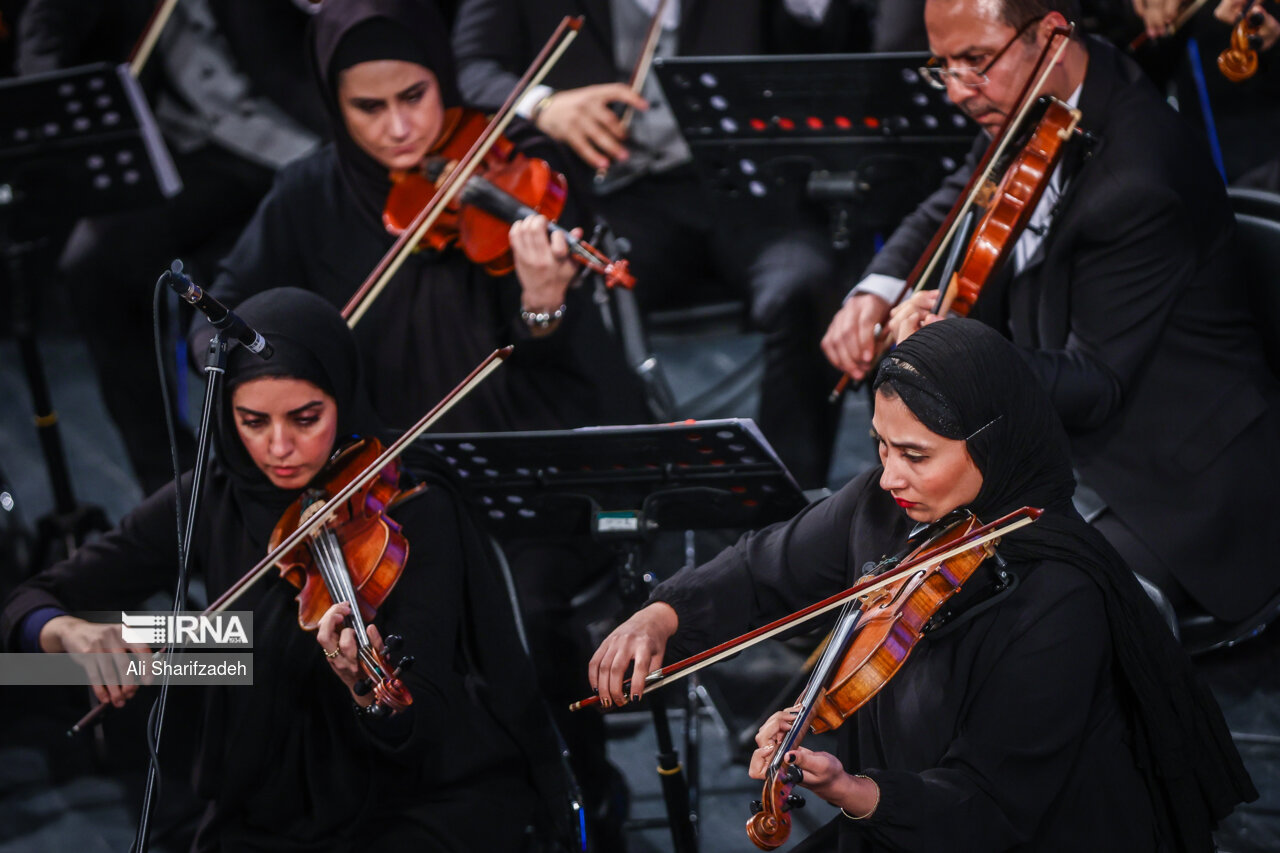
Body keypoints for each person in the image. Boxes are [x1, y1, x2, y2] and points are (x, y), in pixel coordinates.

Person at [187, 2, 651, 844]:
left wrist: (541, 307)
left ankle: (573, 786)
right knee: (345, 626)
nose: (401, 128)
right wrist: (229, 352)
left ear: (445, 78)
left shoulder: (519, 168)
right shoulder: (307, 194)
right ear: (334, 104)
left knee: (530, 609)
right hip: (385, 476)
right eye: (370, 108)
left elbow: (557, 358)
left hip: (521, 453)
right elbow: (225, 306)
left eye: (417, 96)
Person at [590, 317, 1255, 852]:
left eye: (914, 455)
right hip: (899, 816)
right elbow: (766, 564)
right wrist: (662, 615)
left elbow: (991, 806)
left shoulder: (1058, 597)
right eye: (880, 444)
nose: (887, 475)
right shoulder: (890, 506)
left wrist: (854, 789)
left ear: (990, 447)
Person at [2, 287, 573, 851]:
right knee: (66, 657)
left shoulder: (412, 504)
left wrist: (366, 691)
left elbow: (421, 713)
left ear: (341, 397)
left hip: (411, 792)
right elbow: (32, 600)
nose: (280, 447)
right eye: (252, 422)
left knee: (211, 647)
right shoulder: (213, 493)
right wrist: (67, 631)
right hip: (253, 741)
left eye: (306, 418)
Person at [820, 0, 1280, 625]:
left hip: (1172, 477)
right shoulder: (1043, 96)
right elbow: (963, 193)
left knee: (1018, 620)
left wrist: (961, 351)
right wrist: (878, 286)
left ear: (1051, 36)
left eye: (976, 62)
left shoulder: (1135, 178)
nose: (958, 90)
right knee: (875, 543)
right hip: (1058, 436)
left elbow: (1097, 384)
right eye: (945, 67)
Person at [452, 0, 858, 488]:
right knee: (585, 299)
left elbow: (822, 48)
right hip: (610, 196)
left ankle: (786, 507)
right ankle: (629, 499)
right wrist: (543, 104)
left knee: (807, 285)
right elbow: (469, 69)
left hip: (742, 189)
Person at [16, 0, 326, 494]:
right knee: (92, 267)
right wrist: (47, 97)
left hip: (293, 134)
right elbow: (48, 19)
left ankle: (275, 482)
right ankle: (174, 490)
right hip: (187, 140)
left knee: (235, 313)